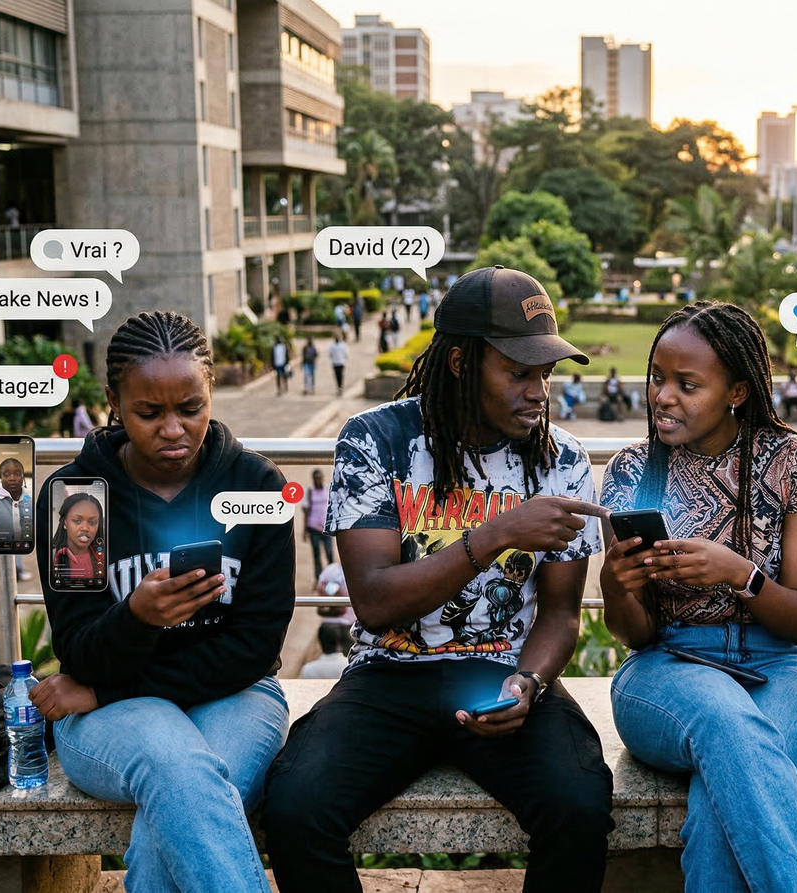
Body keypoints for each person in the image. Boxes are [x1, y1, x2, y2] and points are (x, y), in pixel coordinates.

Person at [263, 265, 615, 893]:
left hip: (502, 671)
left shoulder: (561, 458)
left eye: (546, 373)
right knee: (295, 805)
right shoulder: (377, 440)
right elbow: (373, 602)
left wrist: (528, 683)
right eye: (519, 372)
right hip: (389, 674)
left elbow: (561, 614)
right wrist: (498, 533)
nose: (541, 392)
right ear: (459, 364)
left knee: (580, 802)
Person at [28, 310, 295, 893]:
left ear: (211, 394)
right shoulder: (76, 498)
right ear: (114, 404)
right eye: (149, 413)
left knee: (175, 806)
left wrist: (107, 688)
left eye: (190, 408)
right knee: (179, 769)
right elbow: (78, 650)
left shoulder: (256, 487)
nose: (173, 429)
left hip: (236, 694)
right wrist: (135, 618)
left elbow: (254, 647)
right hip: (109, 716)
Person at [600, 301, 797, 892]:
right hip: (668, 666)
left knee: (719, 808)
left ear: (735, 391)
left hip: (784, 665)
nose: (663, 396)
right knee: (728, 721)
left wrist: (742, 575)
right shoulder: (633, 471)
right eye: (657, 378)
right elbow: (637, 634)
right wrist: (616, 585)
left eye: (687, 384)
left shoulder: (795, 464)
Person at [49, 492, 105, 582]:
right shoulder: (52, 558)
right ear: (65, 523)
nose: (85, 528)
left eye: (92, 522)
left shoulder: (104, 559)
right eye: (77, 521)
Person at [303, 469, 334, 576]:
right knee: (316, 554)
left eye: (320, 478)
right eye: (316, 479)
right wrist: (305, 530)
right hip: (313, 528)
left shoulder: (327, 489)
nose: (318, 481)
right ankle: (319, 579)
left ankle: (332, 578)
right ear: (313, 479)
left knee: (329, 553)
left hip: (326, 527)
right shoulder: (309, 491)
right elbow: (306, 512)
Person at [328, 331, 349, 396]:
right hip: (335, 362)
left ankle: (341, 387)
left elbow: (346, 353)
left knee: (341, 375)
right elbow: (330, 354)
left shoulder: (343, 345)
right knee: (336, 375)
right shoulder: (332, 346)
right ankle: (338, 387)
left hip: (341, 362)